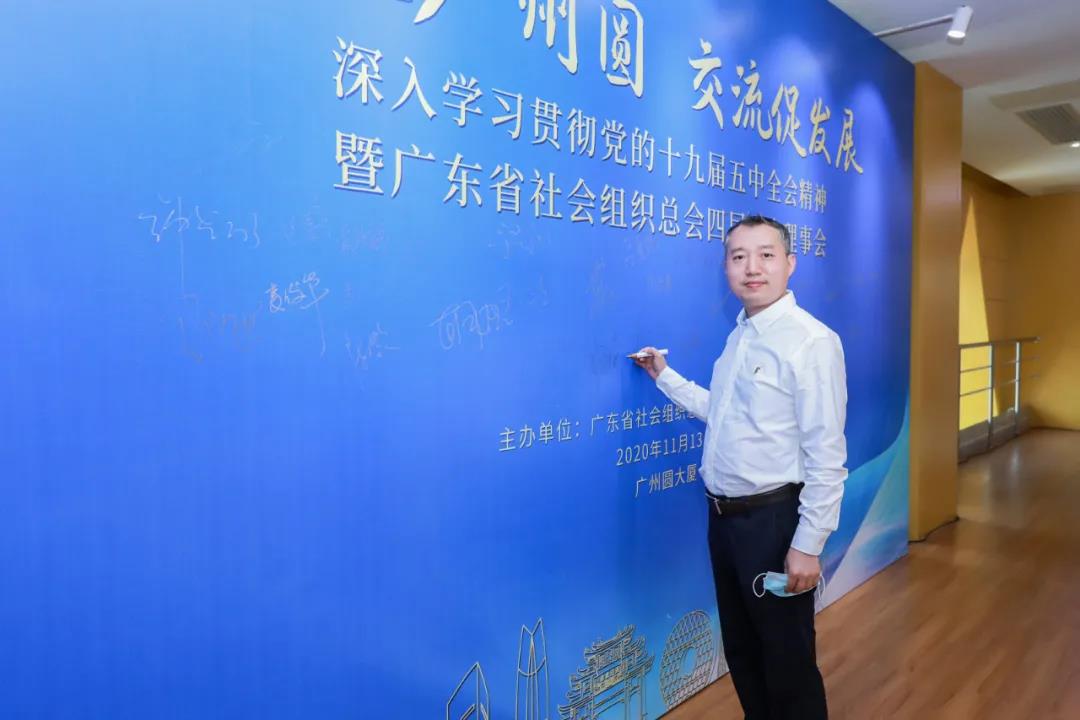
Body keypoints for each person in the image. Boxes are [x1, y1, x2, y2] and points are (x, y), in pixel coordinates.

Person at [634, 215, 847, 719]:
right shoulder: (742, 336)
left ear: (790, 264)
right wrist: (664, 376)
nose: (752, 267)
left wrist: (808, 544)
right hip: (725, 521)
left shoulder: (810, 341)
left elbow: (827, 454)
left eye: (766, 255)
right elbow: (725, 414)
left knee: (788, 661)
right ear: (726, 267)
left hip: (773, 523)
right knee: (744, 651)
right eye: (739, 257)